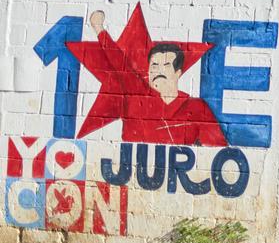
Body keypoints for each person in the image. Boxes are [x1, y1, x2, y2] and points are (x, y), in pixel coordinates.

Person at [89, 10, 227, 146]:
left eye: (166, 65)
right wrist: (99, 29)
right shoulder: (136, 97)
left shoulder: (196, 108)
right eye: (154, 65)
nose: (158, 70)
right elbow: (119, 63)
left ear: (178, 72)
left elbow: (216, 150)